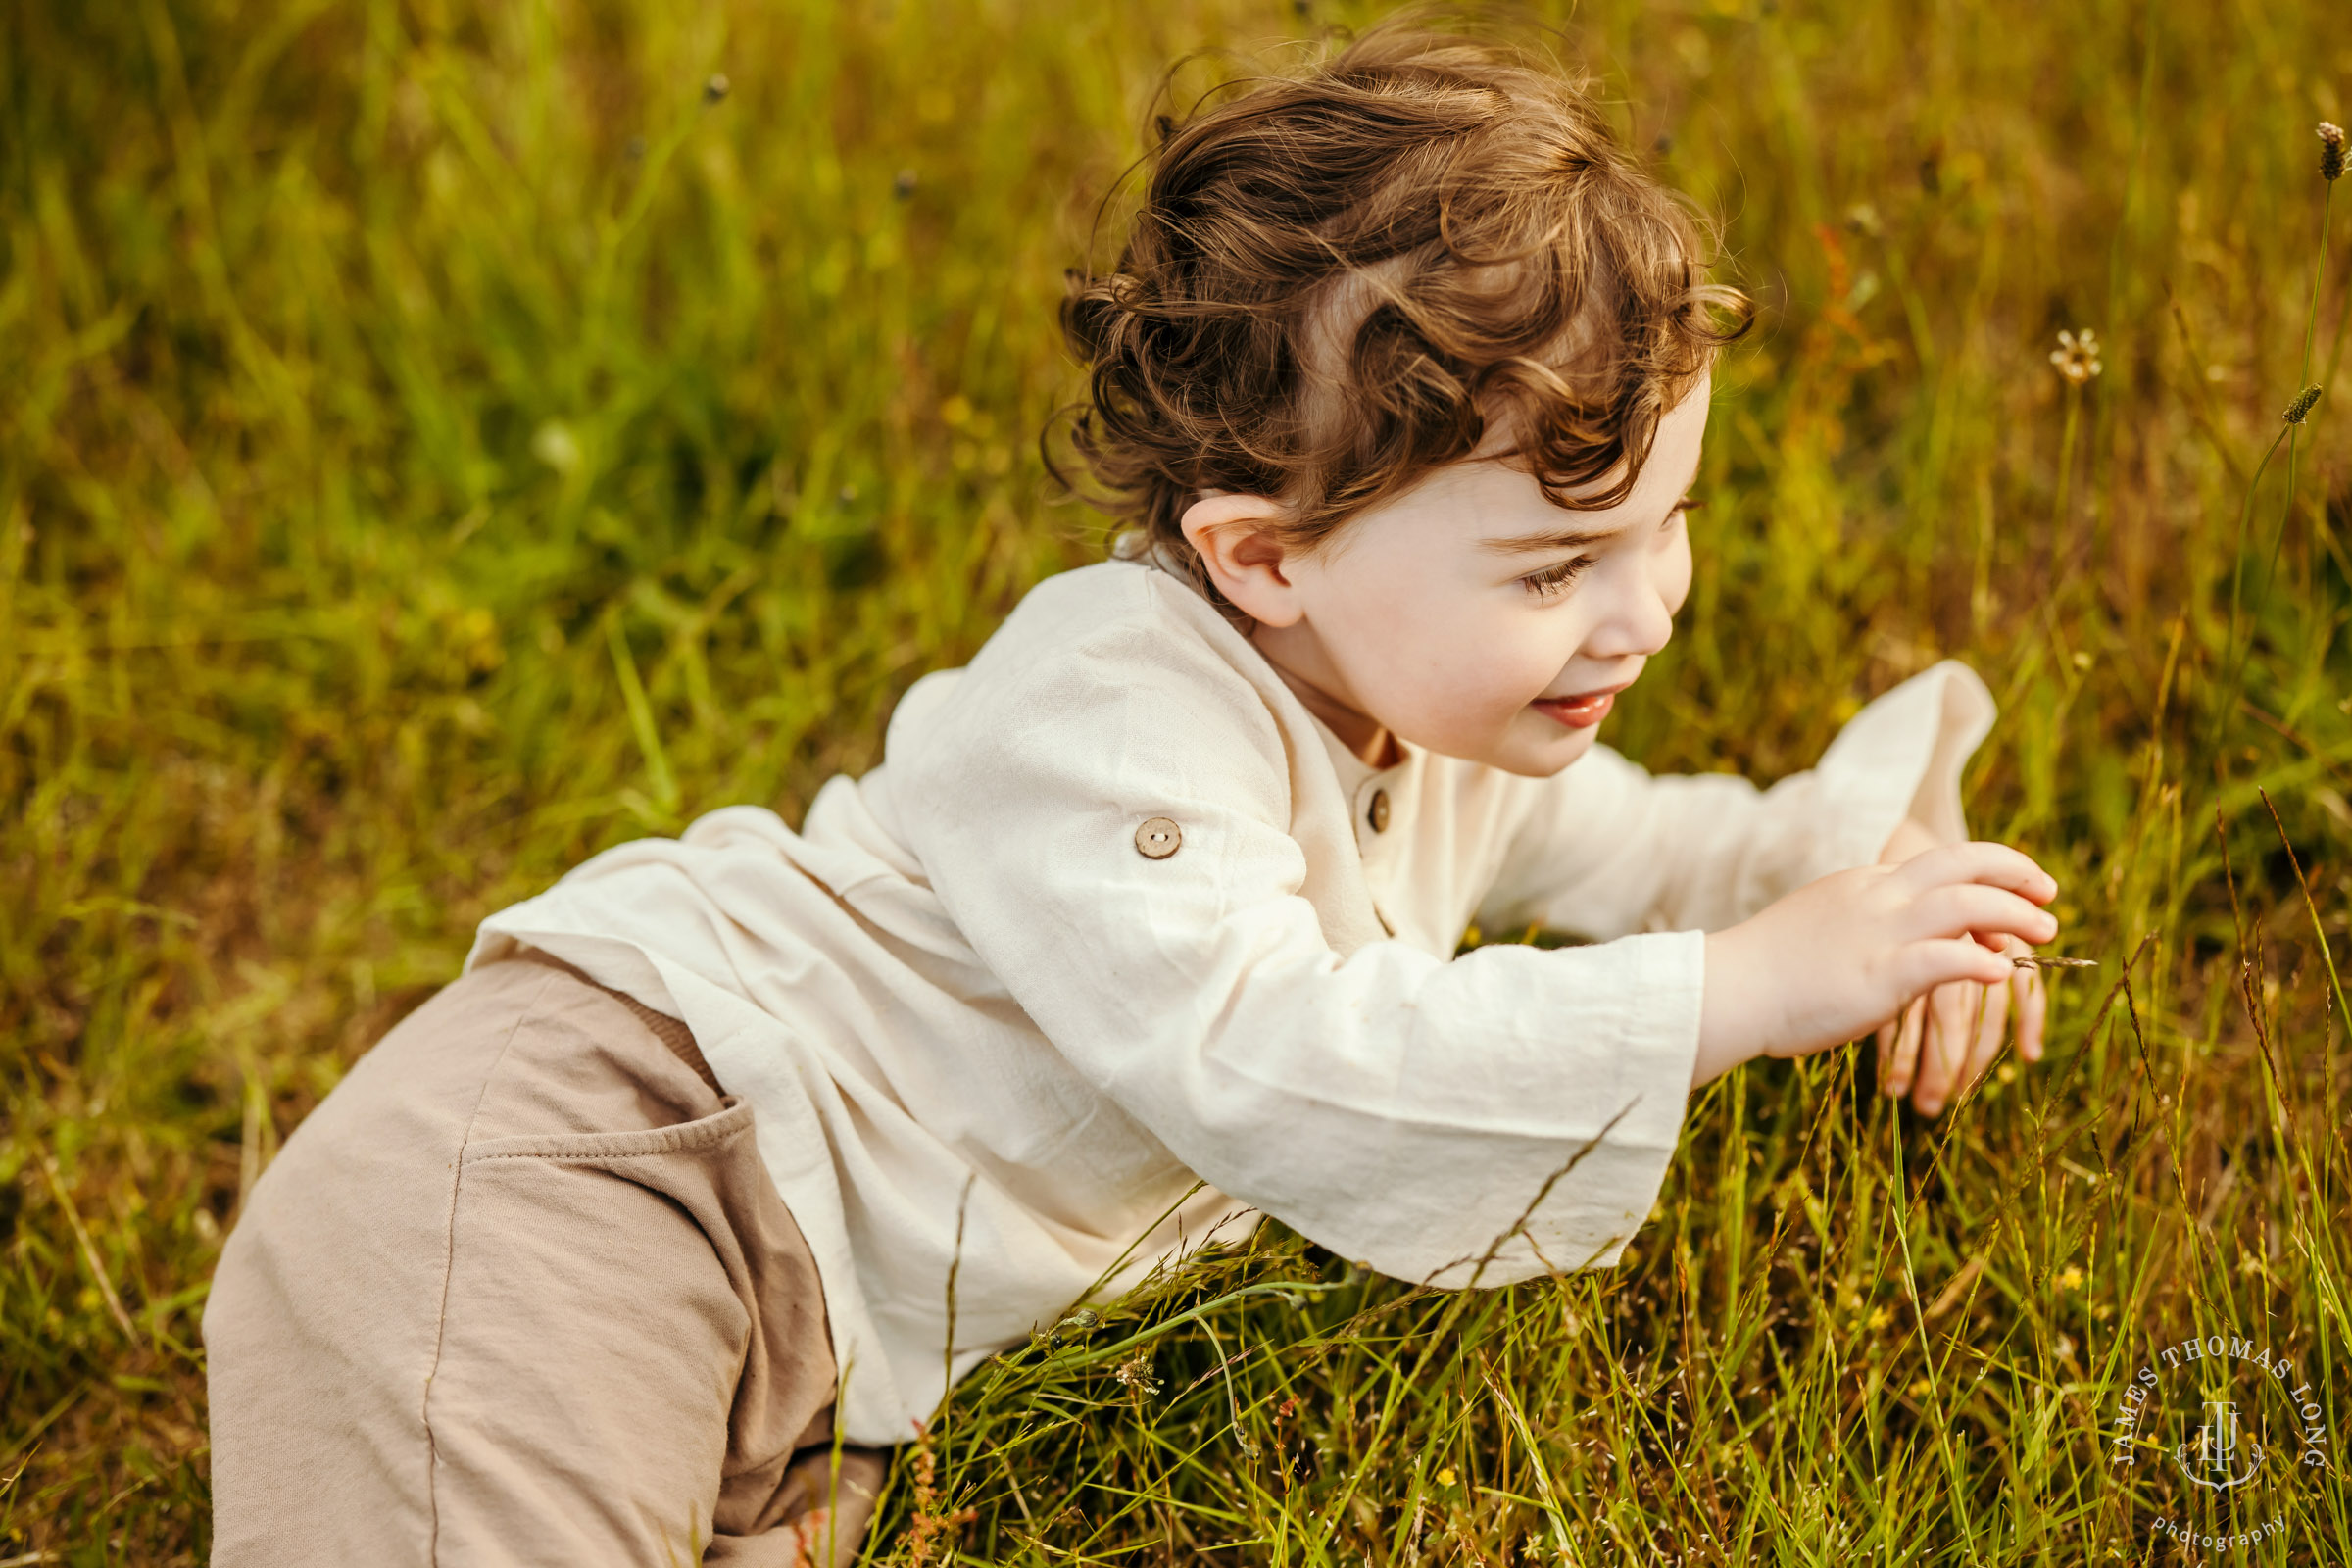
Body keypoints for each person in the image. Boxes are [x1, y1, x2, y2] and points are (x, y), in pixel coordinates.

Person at [203, 22, 2058, 1565]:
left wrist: (1891, 898)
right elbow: (1271, 1052)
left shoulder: (1451, 734)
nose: (1644, 612)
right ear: (1264, 560)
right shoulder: (1112, 702)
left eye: (1671, 526)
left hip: (827, 1367)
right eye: (1556, 568)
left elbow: (1687, 855)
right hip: (612, 1160)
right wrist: (1741, 996)